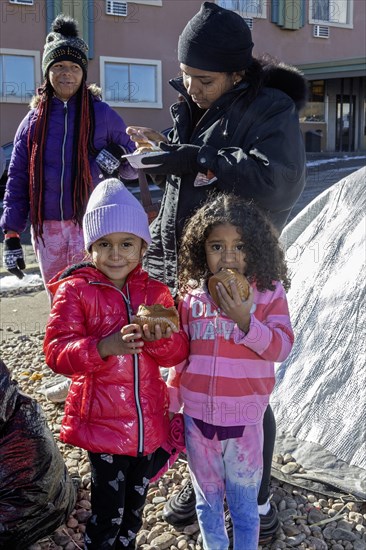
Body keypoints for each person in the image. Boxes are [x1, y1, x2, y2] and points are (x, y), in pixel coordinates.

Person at [126, 1, 307, 542]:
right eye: (184, 77)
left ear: (236, 74)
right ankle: (206, 476)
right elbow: (193, 178)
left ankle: (258, 492)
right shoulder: (195, 104)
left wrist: (198, 156)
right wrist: (167, 154)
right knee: (199, 372)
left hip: (239, 267)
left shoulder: (269, 107)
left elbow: (279, 180)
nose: (192, 87)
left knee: (246, 383)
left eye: (203, 79)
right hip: (191, 263)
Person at [43, 178, 189, 550]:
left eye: (127, 243)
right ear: (90, 247)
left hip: (149, 425)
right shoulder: (75, 291)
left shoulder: (154, 292)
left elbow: (176, 354)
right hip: (104, 425)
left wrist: (163, 340)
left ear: (142, 244)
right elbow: (56, 351)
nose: (116, 254)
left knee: (134, 512)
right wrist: (103, 346)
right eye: (104, 244)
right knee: (106, 513)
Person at [167, 193, 294, 549]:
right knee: (207, 501)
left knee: (243, 504)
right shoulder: (192, 298)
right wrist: (170, 403)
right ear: (201, 251)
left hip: (244, 420)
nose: (228, 257)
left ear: (254, 248)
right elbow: (181, 359)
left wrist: (245, 320)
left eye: (239, 246)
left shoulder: (268, 293)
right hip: (197, 419)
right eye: (217, 246)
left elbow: (282, 347)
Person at [1, 14, 136, 287]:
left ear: (83, 73)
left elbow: (135, 167)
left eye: (74, 67)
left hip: (93, 225)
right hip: (47, 229)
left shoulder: (102, 115)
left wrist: (118, 158)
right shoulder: (32, 123)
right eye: (58, 65)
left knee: (94, 299)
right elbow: (17, 180)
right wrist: (12, 235)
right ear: (47, 71)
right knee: (60, 302)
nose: (66, 73)